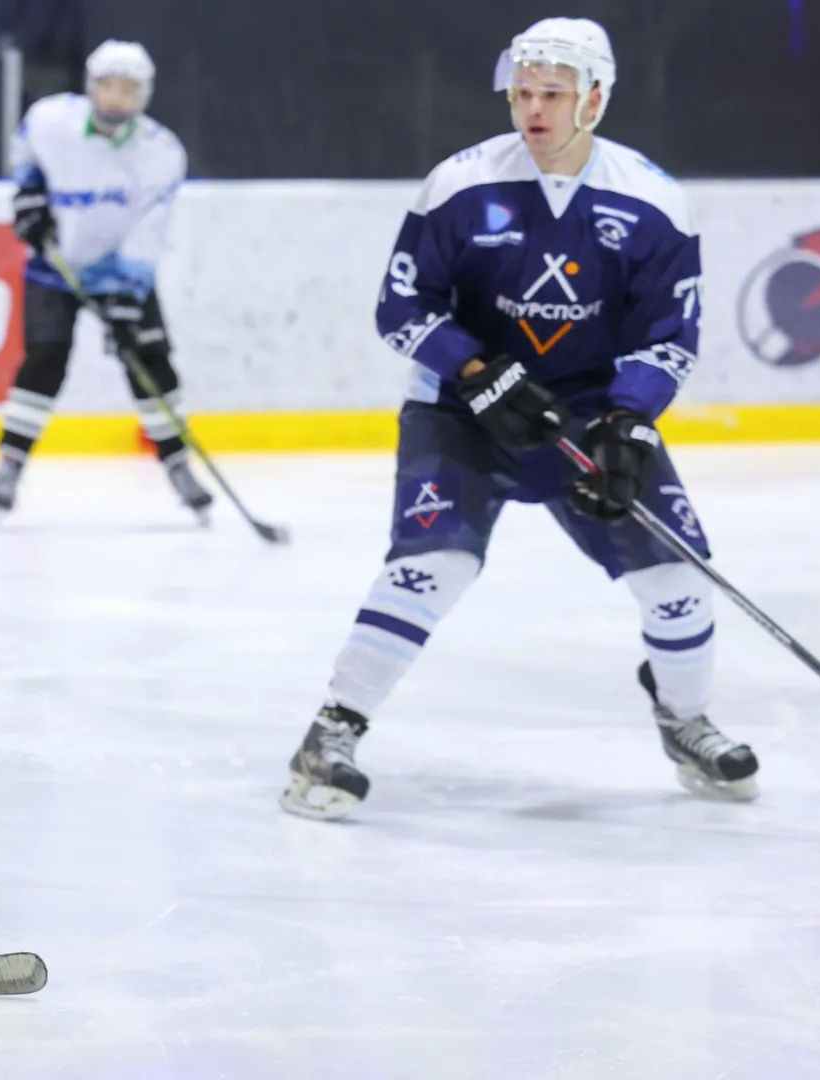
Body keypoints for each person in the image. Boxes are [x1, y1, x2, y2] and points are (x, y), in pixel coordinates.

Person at [279, 18, 757, 821]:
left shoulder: (654, 202)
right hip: (462, 413)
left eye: (553, 95)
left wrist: (628, 421)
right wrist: (475, 369)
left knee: (678, 578)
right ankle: (331, 731)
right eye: (522, 93)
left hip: (582, 417)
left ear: (594, 101)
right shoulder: (459, 185)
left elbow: (669, 336)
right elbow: (401, 307)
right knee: (436, 567)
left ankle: (685, 719)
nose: (532, 111)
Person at [0, 39, 209, 523]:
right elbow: (25, 150)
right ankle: (10, 463)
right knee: (45, 358)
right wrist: (28, 193)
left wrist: (126, 299)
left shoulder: (160, 152)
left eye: (128, 90)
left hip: (119, 270)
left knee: (150, 364)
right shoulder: (51, 121)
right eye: (107, 86)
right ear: (90, 87)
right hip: (56, 266)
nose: (116, 98)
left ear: (144, 96)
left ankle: (178, 465)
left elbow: (148, 231)